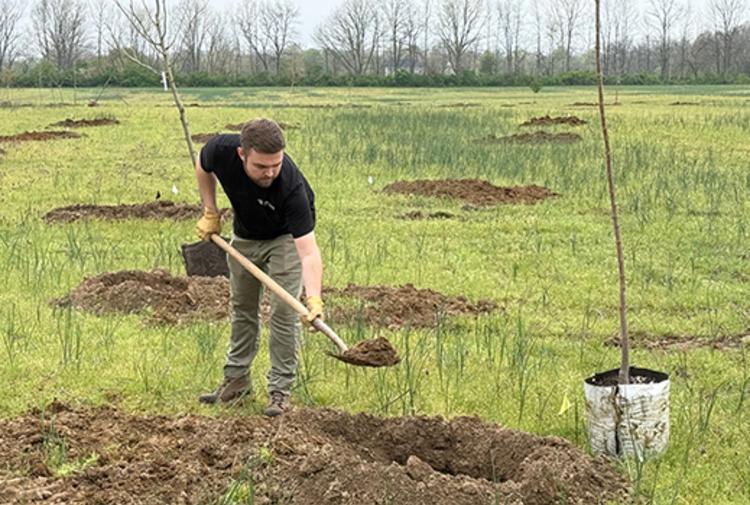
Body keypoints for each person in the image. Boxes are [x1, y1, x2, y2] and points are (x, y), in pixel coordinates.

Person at [194, 118, 324, 417]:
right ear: (242, 154)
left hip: (284, 239)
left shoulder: (292, 188)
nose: (270, 173)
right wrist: (210, 210)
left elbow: (308, 252)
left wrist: (313, 298)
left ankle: (280, 390)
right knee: (242, 306)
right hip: (245, 236)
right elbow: (203, 165)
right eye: (261, 166)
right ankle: (236, 381)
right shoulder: (221, 150)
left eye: (275, 165)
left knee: (282, 311)